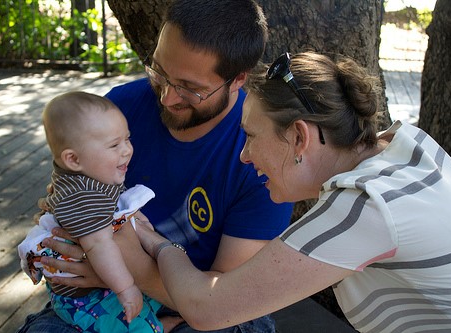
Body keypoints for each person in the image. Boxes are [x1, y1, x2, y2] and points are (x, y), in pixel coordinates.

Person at [137, 51, 451, 332]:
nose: (244, 155)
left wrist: (157, 245)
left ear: (299, 137)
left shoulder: (365, 206)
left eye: (251, 136)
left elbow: (206, 308)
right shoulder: (407, 142)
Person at [17, 1, 294, 332]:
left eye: (190, 88)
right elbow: (70, 190)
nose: (166, 98)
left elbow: (223, 299)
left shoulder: (261, 155)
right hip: (102, 284)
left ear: (237, 80)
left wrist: (124, 272)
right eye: (160, 72)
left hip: (207, 304)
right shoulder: (119, 109)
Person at [18, 91, 163, 332]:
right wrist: (126, 288)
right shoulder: (83, 196)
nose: (127, 150)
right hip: (84, 298)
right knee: (139, 328)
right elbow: (99, 246)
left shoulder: (91, 172)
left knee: (148, 302)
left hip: (102, 281)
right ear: (73, 159)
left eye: (127, 139)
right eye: (114, 144)